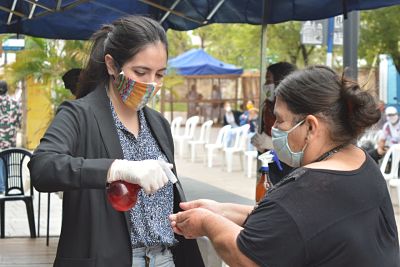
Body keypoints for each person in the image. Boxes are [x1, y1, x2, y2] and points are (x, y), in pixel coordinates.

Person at [169, 66, 399, 267]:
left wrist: (207, 222)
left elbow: (248, 257)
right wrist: (220, 211)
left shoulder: (306, 189)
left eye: (280, 120)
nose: (274, 129)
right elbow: (292, 224)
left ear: (310, 126)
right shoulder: (360, 161)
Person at [28, 15, 204, 267]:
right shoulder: (78, 115)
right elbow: (43, 168)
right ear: (112, 65)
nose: (151, 84)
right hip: (109, 259)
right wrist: (116, 168)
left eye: (160, 74)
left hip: (164, 257)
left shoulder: (158, 124)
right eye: (141, 72)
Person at [251, 62, 297, 184]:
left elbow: (297, 142)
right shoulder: (267, 105)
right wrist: (260, 144)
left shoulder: (295, 108)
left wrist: (272, 143)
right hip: (270, 165)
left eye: (268, 80)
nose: (265, 85)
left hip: (288, 170)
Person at [0, 80, 22, 194]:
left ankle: (1, 187)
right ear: (7, 89)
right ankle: (5, 186)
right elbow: (19, 122)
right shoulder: (14, 103)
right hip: (9, 140)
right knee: (5, 161)